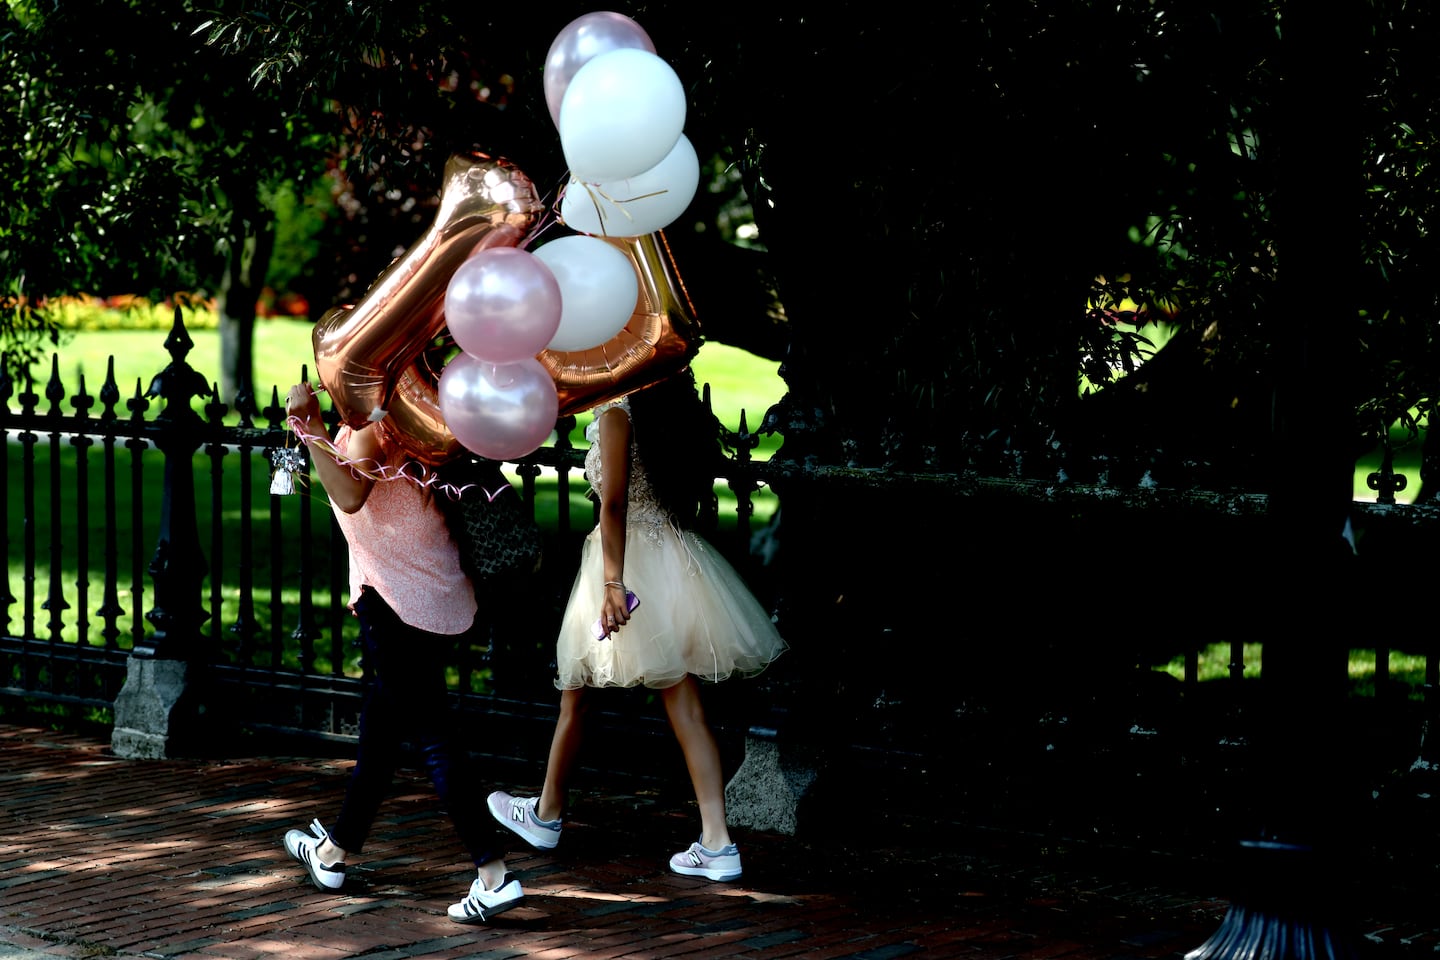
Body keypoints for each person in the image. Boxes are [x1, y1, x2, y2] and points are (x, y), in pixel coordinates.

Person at [487, 368, 787, 882]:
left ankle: (549, 814)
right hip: (668, 555)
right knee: (668, 697)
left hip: (626, 562)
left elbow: (614, 502)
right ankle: (712, 840)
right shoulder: (669, 405)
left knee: (585, 689)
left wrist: (610, 584)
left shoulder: (620, 409)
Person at [278, 381, 522, 923]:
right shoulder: (415, 415)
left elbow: (347, 495)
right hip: (428, 595)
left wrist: (312, 427)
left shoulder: (374, 428)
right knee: (381, 732)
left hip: (397, 604)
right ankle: (334, 852)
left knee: (434, 737)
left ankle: (494, 875)